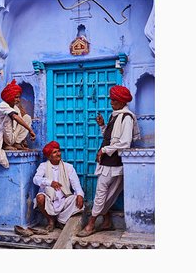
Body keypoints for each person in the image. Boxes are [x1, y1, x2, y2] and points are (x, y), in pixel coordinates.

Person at [77, 85, 140, 237]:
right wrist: (102, 125)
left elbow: (124, 142)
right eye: (111, 99)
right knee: (107, 193)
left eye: (114, 100)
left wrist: (104, 150)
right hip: (107, 162)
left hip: (115, 162)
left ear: (121, 101)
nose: (111, 102)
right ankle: (106, 221)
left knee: (102, 193)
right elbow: (110, 137)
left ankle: (91, 224)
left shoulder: (127, 117)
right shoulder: (115, 115)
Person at [33, 141, 85, 231]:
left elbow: (76, 184)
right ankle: (50, 220)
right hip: (49, 199)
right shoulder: (43, 166)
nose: (58, 154)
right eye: (55, 152)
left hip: (64, 199)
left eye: (58, 151)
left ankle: (61, 220)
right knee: (40, 198)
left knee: (77, 200)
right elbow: (36, 179)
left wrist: (80, 195)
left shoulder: (68, 167)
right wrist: (50, 182)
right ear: (49, 156)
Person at [0, 79, 36, 168]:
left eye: (19, 97)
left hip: (12, 136)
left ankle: (17, 142)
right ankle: (6, 145)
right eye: (16, 97)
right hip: (2, 136)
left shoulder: (15, 108)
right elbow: (15, 117)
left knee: (27, 118)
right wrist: (30, 130)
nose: (18, 100)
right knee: (9, 117)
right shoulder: (3, 105)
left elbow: (20, 118)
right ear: (9, 96)